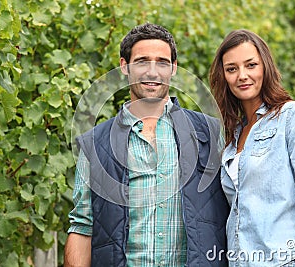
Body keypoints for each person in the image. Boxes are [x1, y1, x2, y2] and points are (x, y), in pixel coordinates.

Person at [64, 23, 230, 267]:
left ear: (173, 68)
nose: (152, 72)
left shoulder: (211, 133)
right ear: (124, 66)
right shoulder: (95, 144)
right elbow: (82, 225)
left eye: (162, 62)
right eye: (142, 61)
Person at [209, 29, 295, 267]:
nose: (242, 75)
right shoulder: (232, 137)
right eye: (231, 69)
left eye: (251, 65)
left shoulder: (293, 116)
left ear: (265, 66)